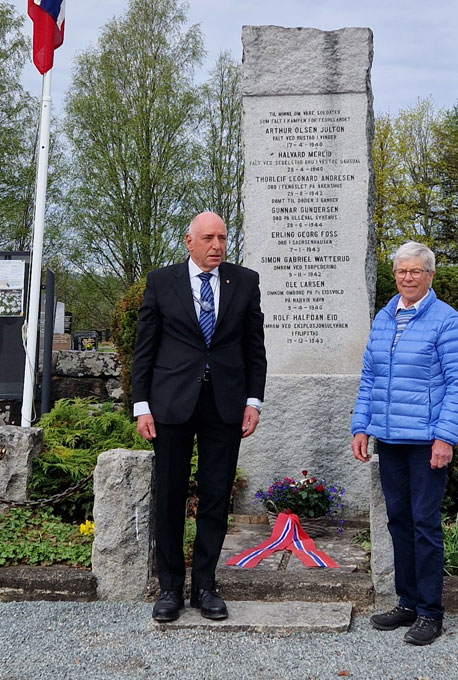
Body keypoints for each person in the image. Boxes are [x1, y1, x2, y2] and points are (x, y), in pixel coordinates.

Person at [132, 211, 267, 622]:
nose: (217, 246)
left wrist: (253, 401)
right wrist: (141, 405)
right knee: (170, 497)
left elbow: (254, 347)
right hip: (171, 404)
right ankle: (170, 588)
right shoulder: (162, 281)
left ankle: (206, 586)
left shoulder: (244, 281)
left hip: (224, 405)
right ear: (189, 241)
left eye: (222, 238)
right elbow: (145, 347)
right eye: (209, 238)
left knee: (215, 496)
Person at [351, 241, 458, 646]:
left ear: (430, 275)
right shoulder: (385, 317)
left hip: (426, 443)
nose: (408, 278)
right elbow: (370, 378)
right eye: (402, 271)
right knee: (399, 522)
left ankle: (430, 612)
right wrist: (361, 427)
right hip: (390, 439)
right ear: (395, 275)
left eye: (415, 271)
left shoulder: (447, 320)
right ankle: (406, 602)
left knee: (424, 524)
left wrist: (446, 437)